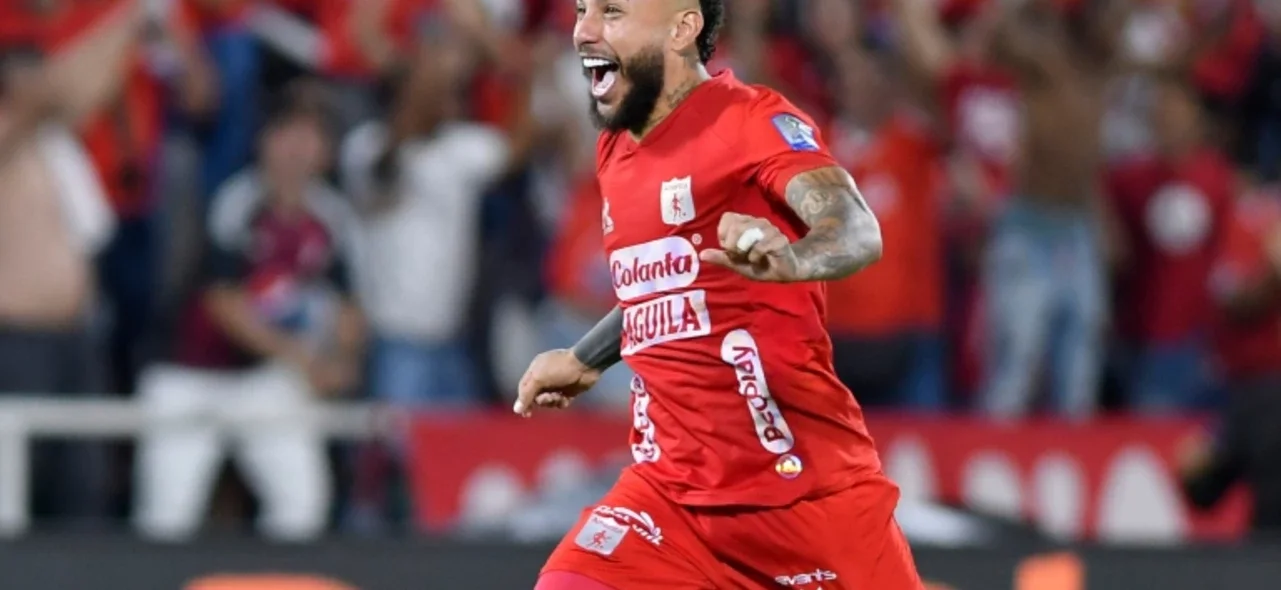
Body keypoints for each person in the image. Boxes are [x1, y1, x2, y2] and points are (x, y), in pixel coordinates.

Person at [514, 1, 921, 589]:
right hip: (669, 498)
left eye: (612, 11)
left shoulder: (748, 120)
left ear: (683, 28)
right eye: (581, 9)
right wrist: (585, 359)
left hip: (799, 500)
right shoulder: (615, 150)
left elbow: (856, 227)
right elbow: (663, 283)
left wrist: (793, 257)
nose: (584, 31)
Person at [133, 80, 364, 542]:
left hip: (262, 379)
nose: (297, 150)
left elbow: (348, 309)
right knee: (166, 516)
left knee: (302, 504)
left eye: (310, 136)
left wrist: (340, 360)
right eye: (287, 134)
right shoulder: (234, 202)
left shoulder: (332, 216)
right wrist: (302, 359)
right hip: (190, 376)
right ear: (264, 141)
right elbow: (224, 304)